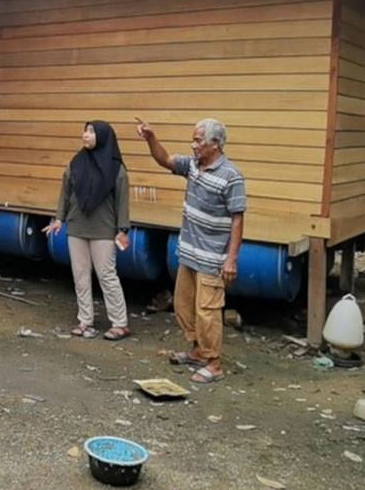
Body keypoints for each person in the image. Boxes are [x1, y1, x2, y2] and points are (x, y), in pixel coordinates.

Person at [136, 117, 246, 384]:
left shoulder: (231, 177)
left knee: (208, 311)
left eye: (198, 140)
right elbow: (165, 160)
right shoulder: (193, 166)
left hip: (213, 258)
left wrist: (231, 259)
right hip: (189, 254)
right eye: (193, 140)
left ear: (215, 144)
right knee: (185, 306)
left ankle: (214, 363)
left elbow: (237, 219)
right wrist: (151, 138)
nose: (193, 145)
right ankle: (198, 351)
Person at [43, 120, 131, 340]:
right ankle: (85, 321)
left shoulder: (116, 168)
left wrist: (122, 229)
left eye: (91, 132)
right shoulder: (76, 162)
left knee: (107, 275)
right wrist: (58, 219)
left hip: (103, 229)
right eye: (85, 130)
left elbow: (122, 201)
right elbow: (66, 192)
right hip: (77, 226)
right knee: (80, 275)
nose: (86, 135)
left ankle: (120, 323)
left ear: (103, 136)